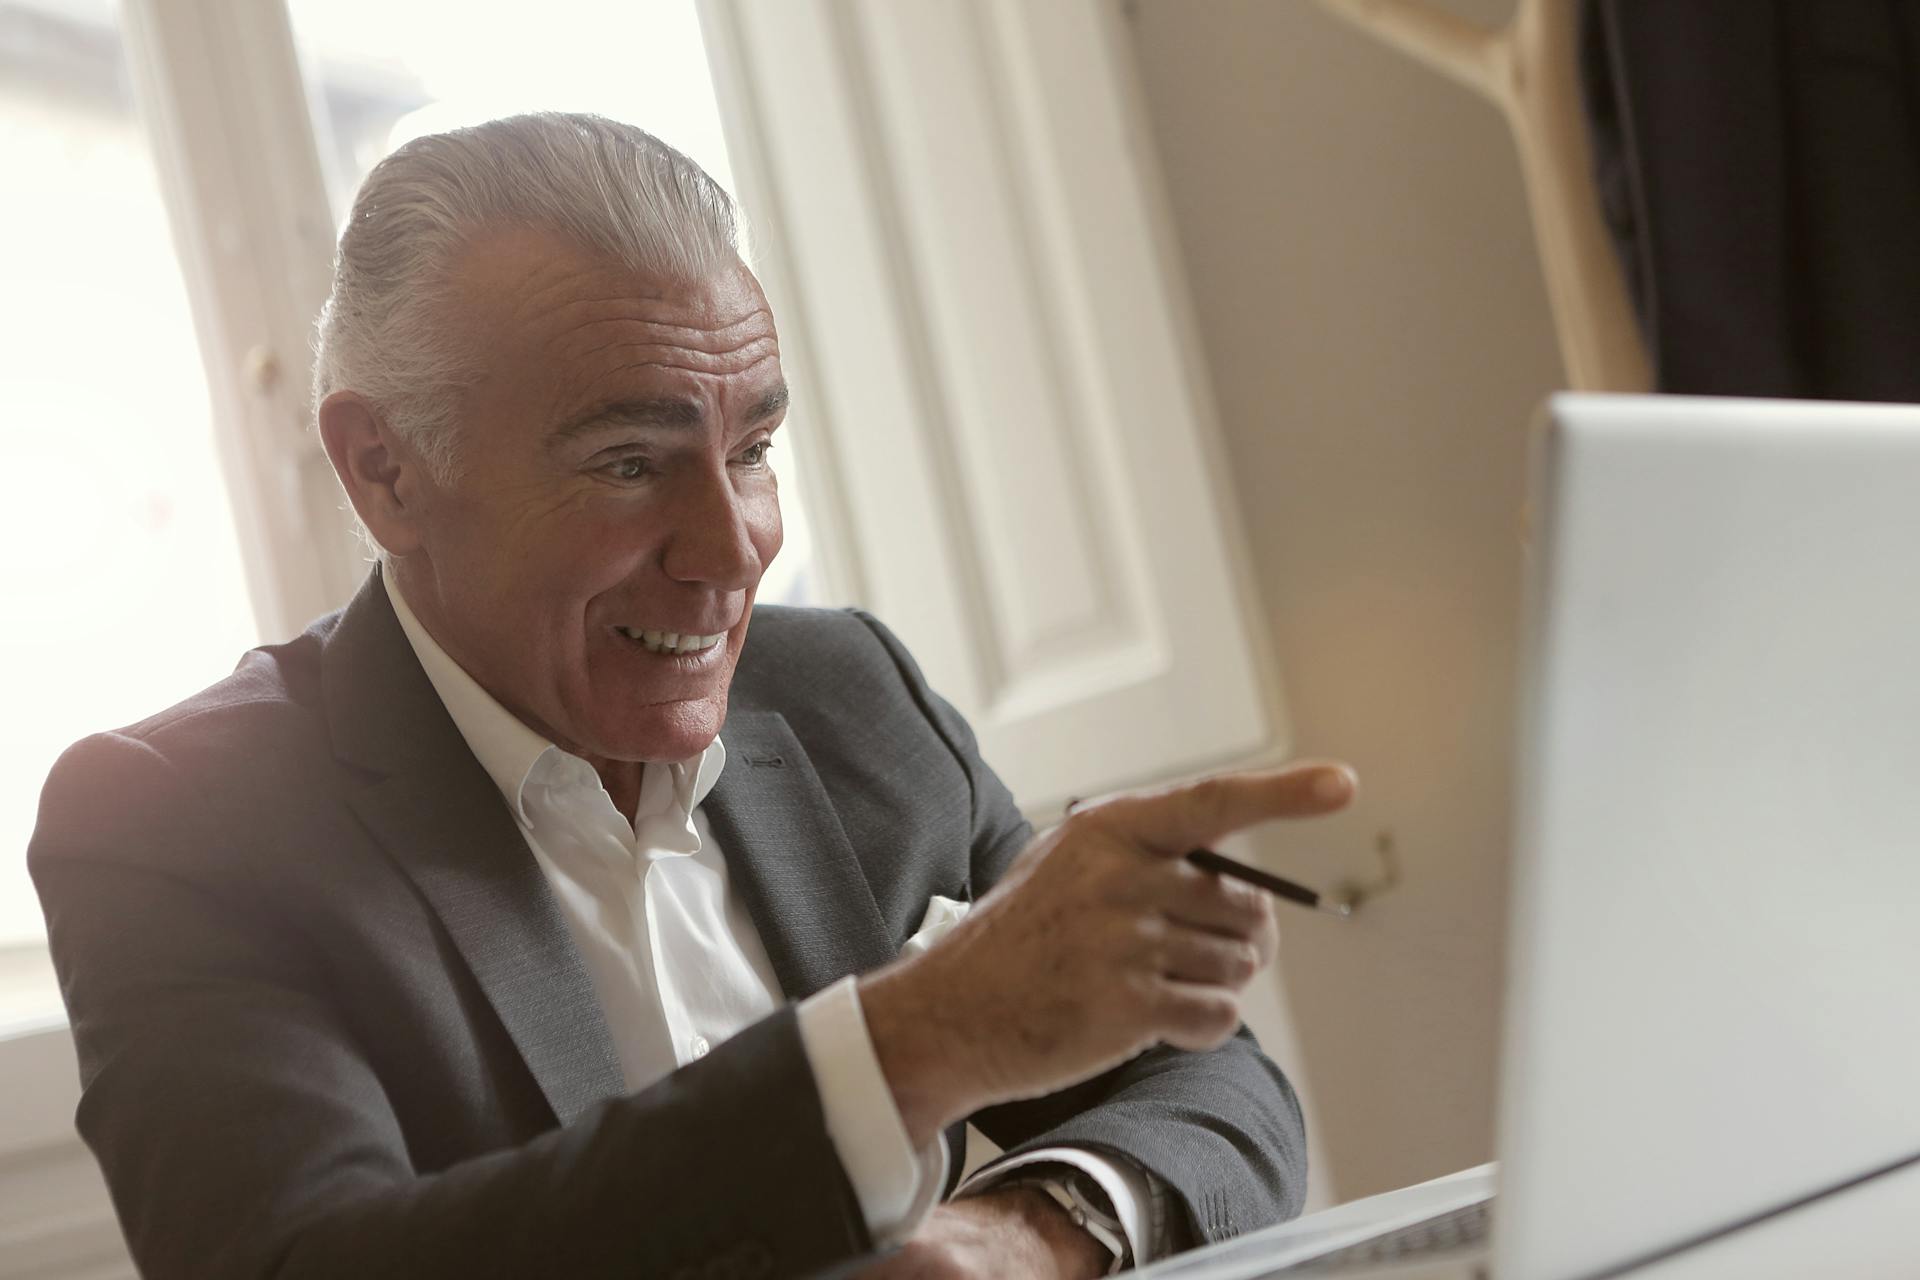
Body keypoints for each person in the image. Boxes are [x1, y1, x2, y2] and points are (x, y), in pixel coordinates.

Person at [30, 113, 1355, 1279]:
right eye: (627, 462)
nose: (733, 550)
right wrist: (911, 1040)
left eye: (754, 449)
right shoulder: (175, 823)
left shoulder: (849, 697)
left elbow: (1211, 1080)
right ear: (385, 470)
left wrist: (1022, 1234)